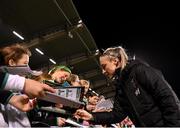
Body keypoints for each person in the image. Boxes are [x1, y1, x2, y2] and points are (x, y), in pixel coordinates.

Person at [74, 46, 180, 127]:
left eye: (104, 66)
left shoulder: (140, 70)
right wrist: (92, 116)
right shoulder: (121, 86)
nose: (102, 71)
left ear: (115, 61)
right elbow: (117, 114)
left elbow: (168, 98)